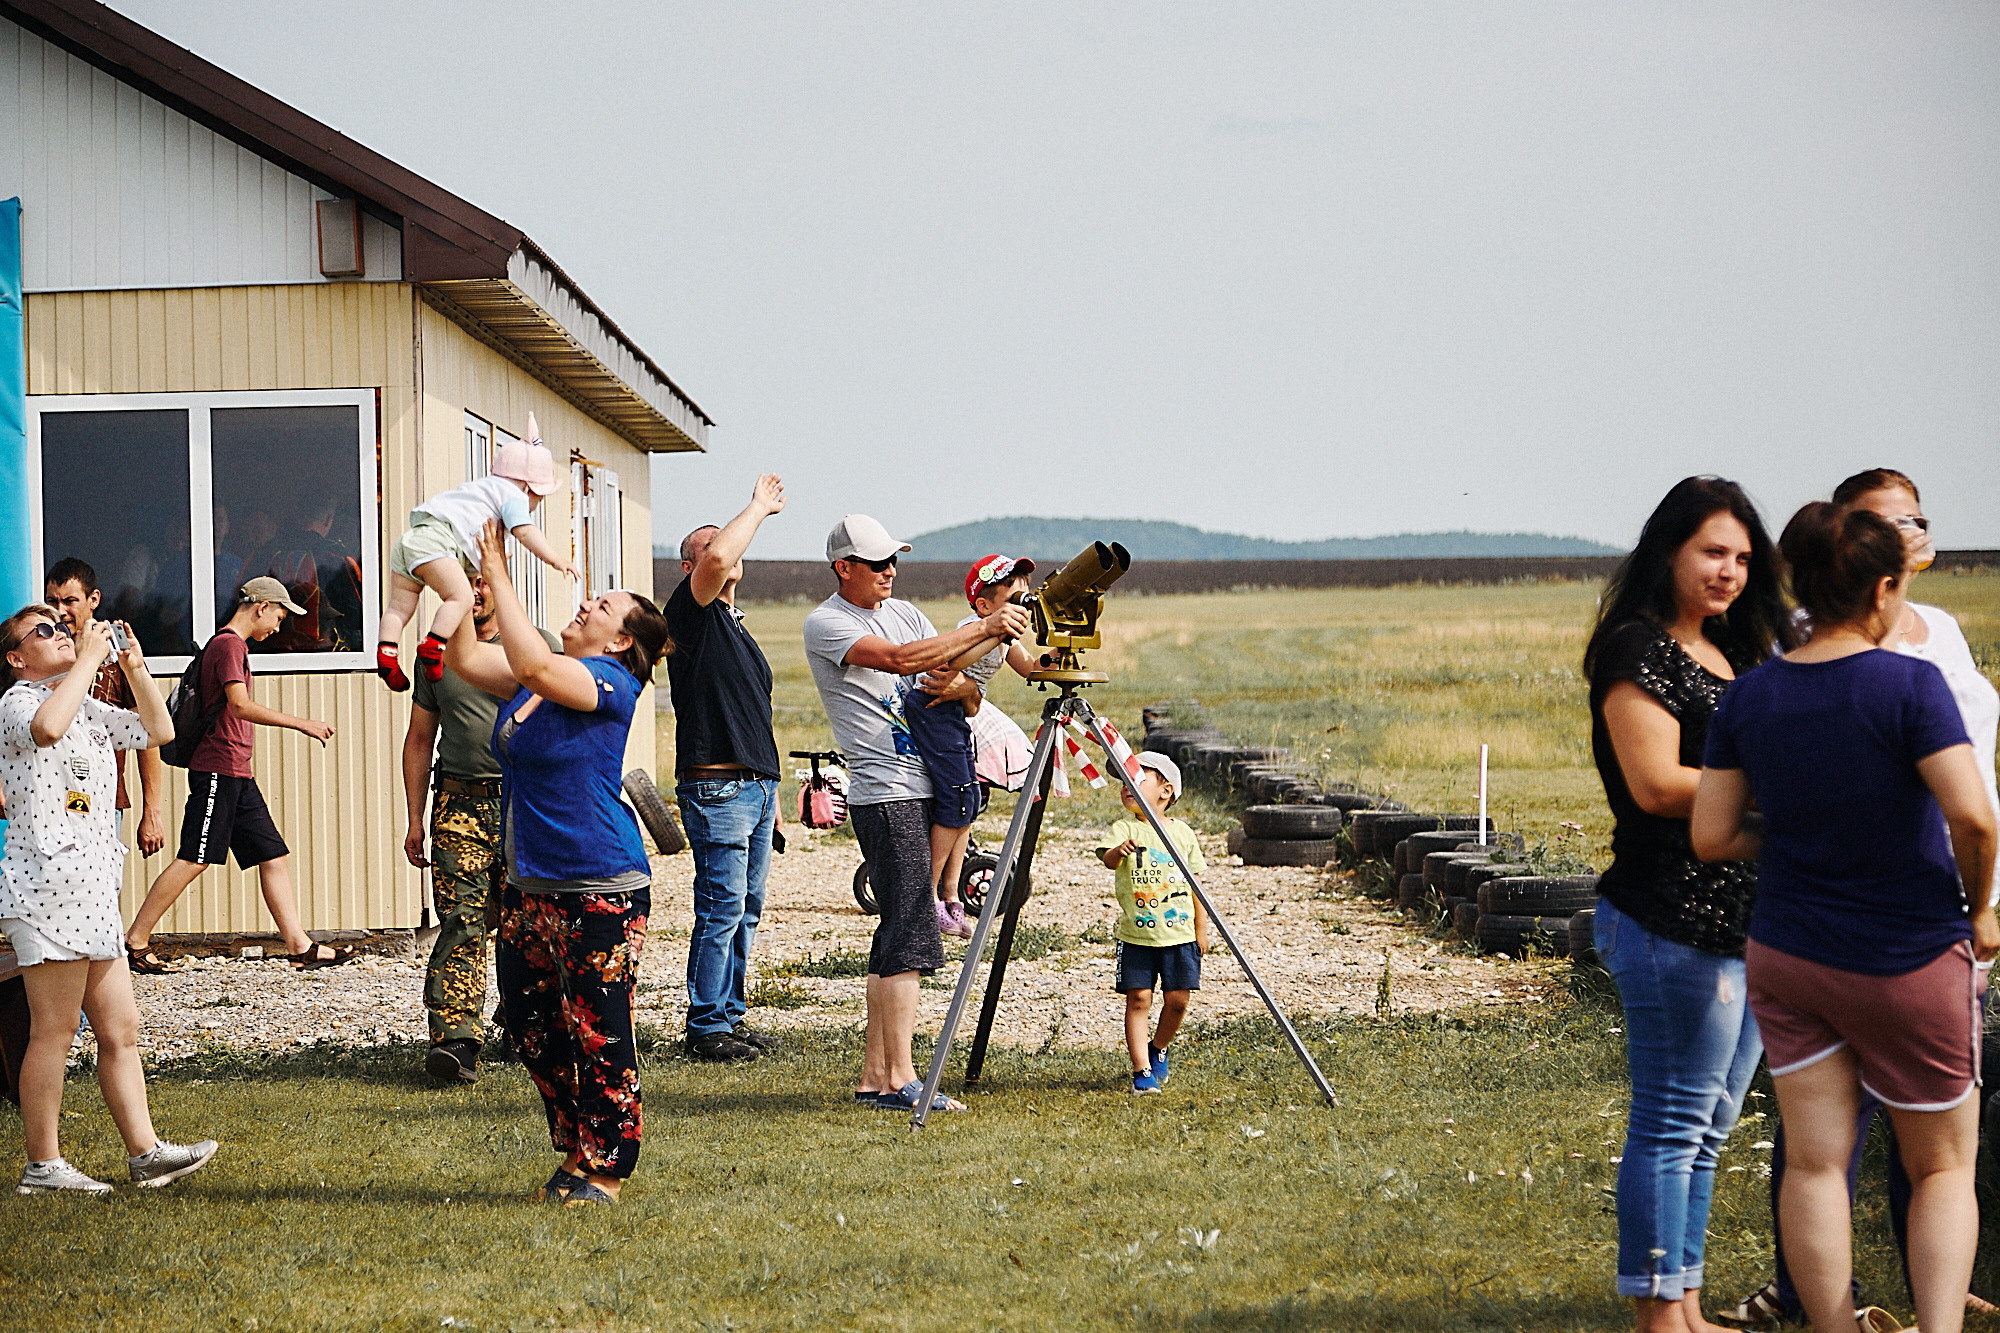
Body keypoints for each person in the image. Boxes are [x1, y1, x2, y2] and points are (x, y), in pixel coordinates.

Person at [1693, 501, 1998, 1333]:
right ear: (1885, 589)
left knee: (1817, 1163)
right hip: (1908, 951)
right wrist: (1980, 911)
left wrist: (1798, 836)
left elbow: (1714, 832)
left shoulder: (1750, 696)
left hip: (1790, 953)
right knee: (1940, 1167)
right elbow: (1973, 817)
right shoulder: (1911, 684)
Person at [1582, 476, 1795, 1333]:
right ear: (1667, 548)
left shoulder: (1733, 652)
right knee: (1671, 1122)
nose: (1730, 571)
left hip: (1741, 920)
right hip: (1668, 915)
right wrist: (1788, 800)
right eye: (1713, 551)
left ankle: (1688, 1304)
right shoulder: (1634, 648)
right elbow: (1659, 783)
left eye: (1744, 557)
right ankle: (1659, 1319)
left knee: (1708, 1128)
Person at [444, 520, 670, 1206]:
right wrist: (457, 584)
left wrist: (498, 562)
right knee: (532, 1025)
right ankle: (576, 1146)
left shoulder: (608, 683)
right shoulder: (539, 678)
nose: (585, 605)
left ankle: (607, 1166)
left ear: (622, 638)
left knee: (598, 1027)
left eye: (601, 606)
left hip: (598, 885)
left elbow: (537, 663)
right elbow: (465, 660)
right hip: (532, 886)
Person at [802, 515, 1029, 1113]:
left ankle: (877, 1078)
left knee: (898, 930)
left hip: (921, 781)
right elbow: (903, 661)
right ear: (843, 569)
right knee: (911, 931)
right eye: (876, 563)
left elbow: (958, 682)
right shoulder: (827, 622)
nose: (889, 572)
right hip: (887, 791)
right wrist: (985, 626)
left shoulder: (904, 610)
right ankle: (903, 1078)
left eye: (893, 560)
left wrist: (969, 682)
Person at [0, 604, 217, 1194]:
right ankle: (43, 1165)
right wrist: (89, 658)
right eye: (43, 631)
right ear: (17, 658)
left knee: (121, 1029)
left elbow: (160, 731)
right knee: (54, 1031)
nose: (61, 634)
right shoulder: (19, 702)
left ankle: (145, 1154)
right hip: (45, 891)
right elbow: (47, 727)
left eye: (63, 627)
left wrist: (133, 665)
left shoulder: (89, 707)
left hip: (92, 893)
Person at [123, 577, 349, 974]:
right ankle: (135, 941)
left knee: (272, 855)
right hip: (217, 770)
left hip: (237, 773)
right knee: (195, 857)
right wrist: (303, 723)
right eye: (278, 617)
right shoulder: (228, 645)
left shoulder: (232, 646)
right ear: (260, 606)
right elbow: (239, 706)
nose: (277, 628)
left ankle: (300, 946)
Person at [402, 576, 559, 1084]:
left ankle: (523, 1024)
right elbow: (420, 740)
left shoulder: (537, 648)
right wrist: (413, 819)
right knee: (461, 921)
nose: (474, 591)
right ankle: (456, 1042)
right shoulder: (436, 656)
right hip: (457, 804)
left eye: (483, 581)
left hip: (525, 805)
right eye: (462, 582)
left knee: (526, 923)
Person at [665, 474, 787, 1064]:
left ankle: (728, 1018)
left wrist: (774, 793)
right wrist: (759, 506)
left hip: (755, 787)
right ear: (690, 566)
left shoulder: (736, 627)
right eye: (714, 547)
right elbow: (718, 554)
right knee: (721, 907)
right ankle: (707, 1026)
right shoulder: (689, 615)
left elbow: (754, 715)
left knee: (746, 908)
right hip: (717, 787)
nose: (727, 551)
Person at [376, 413, 576, 691]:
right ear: (529, 487)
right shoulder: (513, 496)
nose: (535, 506)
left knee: (399, 606)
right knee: (461, 597)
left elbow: (471, 554)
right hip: (436, 543)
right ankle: (433, 647)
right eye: (539, 499)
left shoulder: (482, 491)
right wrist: (554, 559)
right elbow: (525, 532)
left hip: (411, 542)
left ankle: (386, 652)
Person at [906, 554, 1039, 940]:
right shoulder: (972, 628)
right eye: (1014, 599)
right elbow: (953, 662)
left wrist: (1057, 657)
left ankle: (951, 897)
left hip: (956, 713)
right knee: (955, 800)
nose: (1022, 608)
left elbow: (1030, 668)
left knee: (969, 800)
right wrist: (993, 632)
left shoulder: (1003, 636)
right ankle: (924, 898)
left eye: (1026, 598)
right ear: (984, 606)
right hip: (933, 709)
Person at [1095, 752, 1207, 1095]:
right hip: (1136, 936)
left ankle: (1159, 1047)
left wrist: (1202, 929)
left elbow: (1196, 885)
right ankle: (1142, 1071)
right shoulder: (1124, 828)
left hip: (1180, 935)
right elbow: (1108, 859)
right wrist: (1119, 851)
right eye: (1123, 780)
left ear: (1166, 790)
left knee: (1178, 1001)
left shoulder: (1183, 834)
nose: (1127, 785)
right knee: (1139, 998)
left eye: (1138, 777)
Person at [44, 558, 166, 857]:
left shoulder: (118, 654)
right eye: (52, 601)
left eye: (70, 601)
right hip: (46, 796)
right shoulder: (39, 648)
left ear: (93, 599)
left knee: (105, 892)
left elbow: (147, 733)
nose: (60, 611)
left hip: (104, 799)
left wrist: (152, 809)